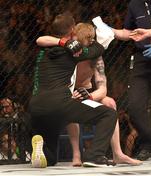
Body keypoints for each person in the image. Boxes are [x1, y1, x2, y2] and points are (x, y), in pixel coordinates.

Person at [37, 22, 142, 166]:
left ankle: (118, 153)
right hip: (68, 96)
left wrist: (89, 96)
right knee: (69, 107)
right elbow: (41, 40)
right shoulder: (68, 52)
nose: (82, 46)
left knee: (110, 103)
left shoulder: (95, 57)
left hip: (89, 95)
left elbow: (103, 88)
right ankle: (77, 154)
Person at [29, 13, 117, 168]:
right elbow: (96, 50)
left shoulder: (44, 50)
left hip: (36, 107)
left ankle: (41, 149)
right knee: (108, 113)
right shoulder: (73, 51)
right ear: (72, 29)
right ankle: (95, 156)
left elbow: (39, 39)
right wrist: (97, 38)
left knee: (50, 159)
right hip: (60, 104)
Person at [108, 0, 151, 161]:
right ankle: (150, 142)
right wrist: (111, 30)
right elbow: (128, 33)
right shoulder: (135, 4)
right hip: (141, 59)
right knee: (134, 106)